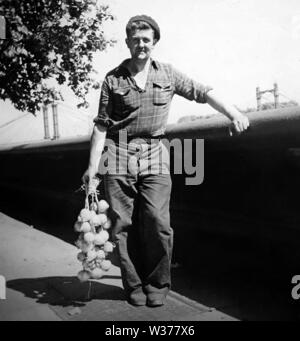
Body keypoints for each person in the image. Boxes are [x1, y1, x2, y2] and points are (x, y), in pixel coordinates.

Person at [82, 14, 250, 307]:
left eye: (146, 39)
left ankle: (158, 283)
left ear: (154, 43)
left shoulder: (168, 74)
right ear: (127, 43)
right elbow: (101, 125)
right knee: (123, 224)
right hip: (118, 154)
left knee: (158, 221)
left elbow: (203, 92)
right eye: (135, 40)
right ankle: (133, 285)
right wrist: (92, 168)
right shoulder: (112, 79)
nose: (141, 45)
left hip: (155, 154)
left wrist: (233, 113)